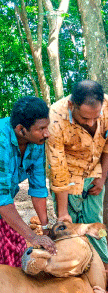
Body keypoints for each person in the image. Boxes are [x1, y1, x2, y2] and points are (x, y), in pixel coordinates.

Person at [47, 80, 108, 269]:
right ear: (72, 106)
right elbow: (58, 168)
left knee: (97, 227)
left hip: (94, 174)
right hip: (67, 181)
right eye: (85, 118)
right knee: (70, 234)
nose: (91, 123)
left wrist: (102, 178)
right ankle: (77, 276)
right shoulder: (55, 117)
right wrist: (63, 213)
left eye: (96, 117)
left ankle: (105, 271)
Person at [0, 96, 56, 265]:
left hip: (4, 201)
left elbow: (38, 187)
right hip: (2, 200)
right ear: (20, 129)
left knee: (16, 250)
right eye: (41, 129)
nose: (47, 133)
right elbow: (2, 198)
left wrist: (45, 229)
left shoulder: (37, 142)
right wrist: (32, 236)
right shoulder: (2, 142)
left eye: (48, 127)